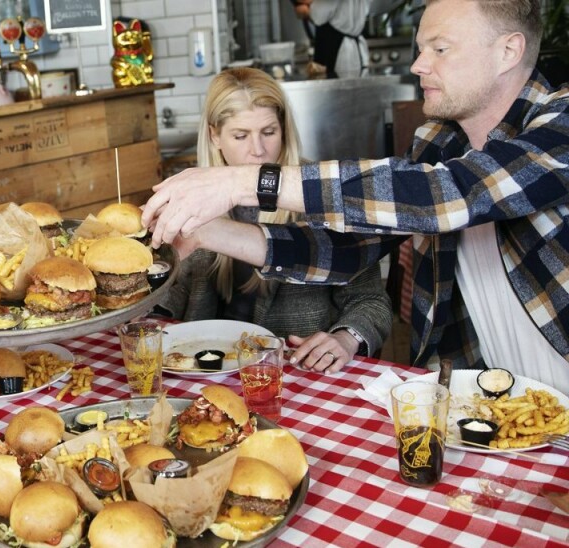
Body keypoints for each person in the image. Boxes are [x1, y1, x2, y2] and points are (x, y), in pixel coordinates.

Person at [143, 0, 569, 392]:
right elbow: (344, 249)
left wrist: (245, 181)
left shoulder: (560, 124)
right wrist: (207, 233)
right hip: (487, 399)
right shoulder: (439, 144)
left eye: (440, 49)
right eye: (421, 48)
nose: (419, 64)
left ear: (508, 52)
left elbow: (447, 196)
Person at [160, 68, 391, 371]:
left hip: (295, 373)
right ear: (214, 135)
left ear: (284, 129)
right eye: (240, 135)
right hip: (205, 370)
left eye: (269, 132)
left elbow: (372, 303)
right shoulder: (197, 196)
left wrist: (346, 338)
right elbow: (176, 291)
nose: (257, 151)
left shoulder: (317, 193)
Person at [294, 0, 371, 78]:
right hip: (356, 51)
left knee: (338, 86)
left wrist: (305, 12)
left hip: (339, 52)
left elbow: (318, 16)